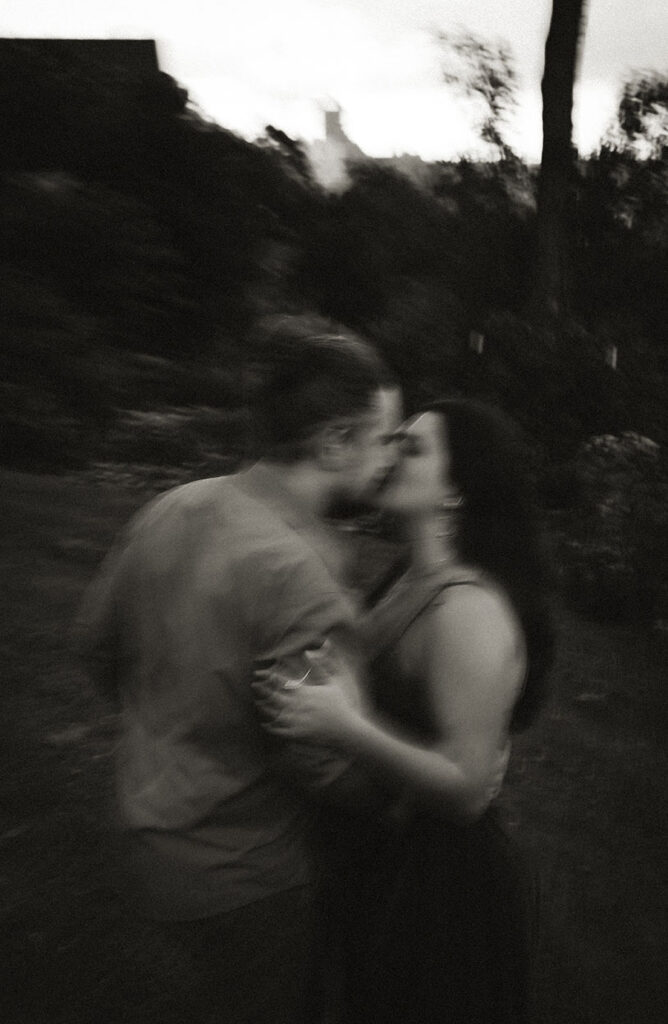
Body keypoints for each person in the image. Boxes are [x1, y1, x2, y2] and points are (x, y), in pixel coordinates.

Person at [74, 313, 403, 1024]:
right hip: (245, 882)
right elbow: (319, 764)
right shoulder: (304, 576)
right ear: (335, 441)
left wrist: (173, 712)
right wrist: (398, 797)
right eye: (383, 440)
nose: (391, 460)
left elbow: (95, 644)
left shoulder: (173, 506)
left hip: (142, 841)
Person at [255, 398, 554, 1024]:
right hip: (380, 856)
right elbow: (355, 678)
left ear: (455, 492)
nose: (388, 455)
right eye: (394, 440)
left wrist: (346, 727)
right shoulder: (406, 579)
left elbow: (468, 792)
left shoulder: (468, 611)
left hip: (439, 891)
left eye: (412, 448)